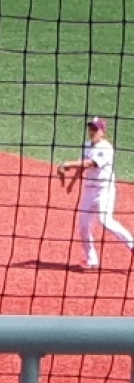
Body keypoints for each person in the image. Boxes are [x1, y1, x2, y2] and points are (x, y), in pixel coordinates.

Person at [58, 113, 134, 269]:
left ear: (102, 132)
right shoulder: (87, 145)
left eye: (95, 129)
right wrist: (72, 183)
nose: (92, 131)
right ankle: (91, 260)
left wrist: (66, 164)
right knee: (83, 225)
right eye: (90, 128)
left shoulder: (106, 148)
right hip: (89, 190)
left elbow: (89, 164)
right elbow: (82, 166)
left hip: (104, 190)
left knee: (105, 220)